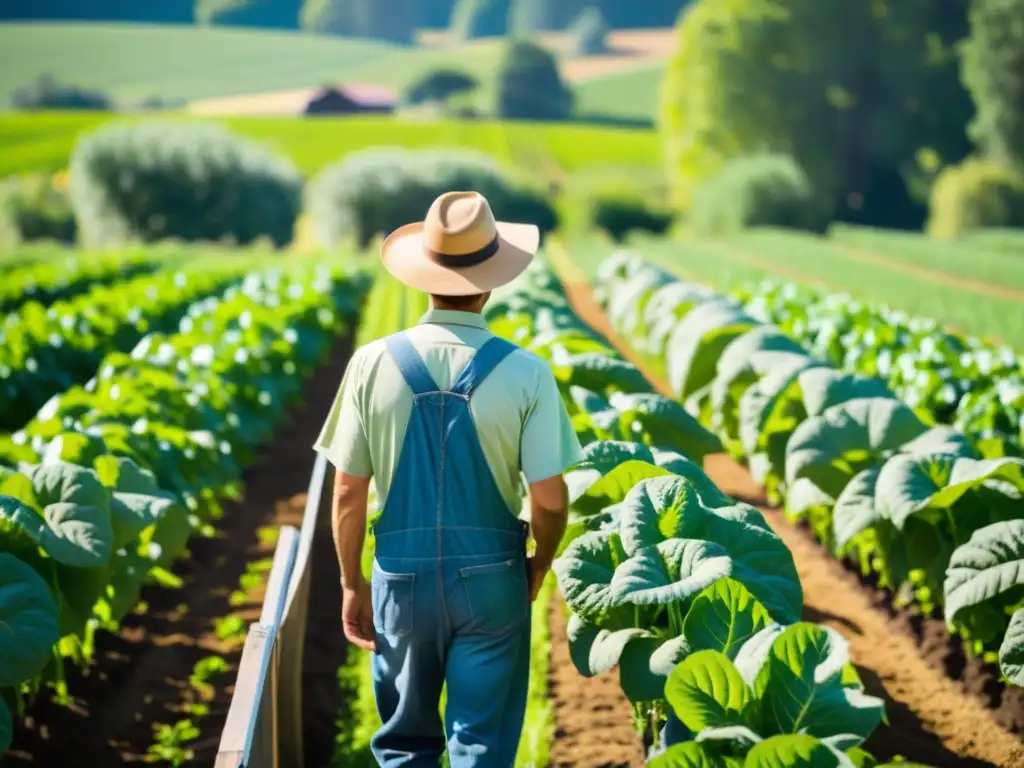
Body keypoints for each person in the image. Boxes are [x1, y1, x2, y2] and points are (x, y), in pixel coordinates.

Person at [314, 190, 583, 767]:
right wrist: (540, 560)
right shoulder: (527, 373)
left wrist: (351, 581)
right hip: (492, 579)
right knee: (480, 745)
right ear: (491, 283)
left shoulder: (370, 363)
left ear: (423, 276)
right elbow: (552, 499)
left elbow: (345, 492)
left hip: (401, 579)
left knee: (405, 745)